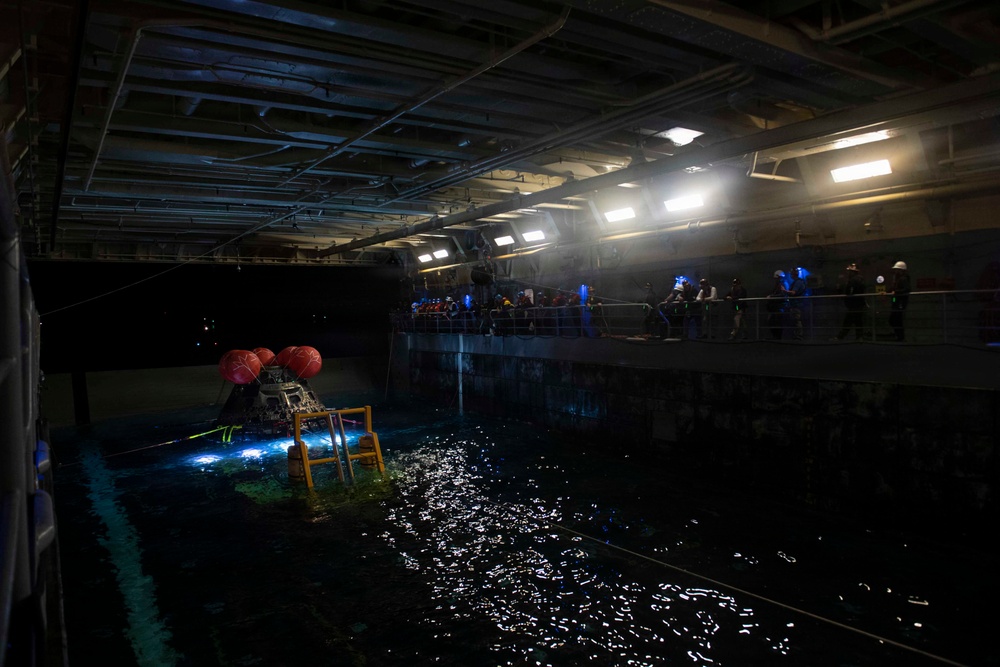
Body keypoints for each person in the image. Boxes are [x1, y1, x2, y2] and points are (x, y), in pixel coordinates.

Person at [834, 263, 867, 341]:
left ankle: (840, 337)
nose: (848, 273)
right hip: (859, 303)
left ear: (853, 272)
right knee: (858, 321)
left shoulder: (853, 281)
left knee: (848, 321)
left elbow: (849, 292)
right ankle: (859, 337)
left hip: (853, 304)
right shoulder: (860, 279)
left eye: (849, 271)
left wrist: (840, 291)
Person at [888, 260, 911, 341]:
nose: (895, 271)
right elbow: (894, 288)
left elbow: (907, 289)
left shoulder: (903, 279)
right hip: (896, 301)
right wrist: (887, 292)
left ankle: (900, 337)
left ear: (901, 270)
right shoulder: (898, 279)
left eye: (897, 270)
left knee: (896, 320)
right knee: (896, 320)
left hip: (900, 302)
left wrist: (896, 292)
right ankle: (899, 337)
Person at [786, 268, 808, 340]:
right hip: (799, 303)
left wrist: (785, 291)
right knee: (797, 320)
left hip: (796, 304)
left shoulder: (797, 282)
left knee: (796, 320)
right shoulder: (801, 281)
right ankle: (798, 335)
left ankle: (798, 336)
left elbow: (793, 292)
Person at [766, 270, 788, 340]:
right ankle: (776, 336)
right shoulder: (780, 284)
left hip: (779, 306)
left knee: (776, 322)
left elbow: (783, 295)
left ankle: (777, 337)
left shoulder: (782, 284)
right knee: (773, 322)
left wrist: (771, 297)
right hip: (776, 306)